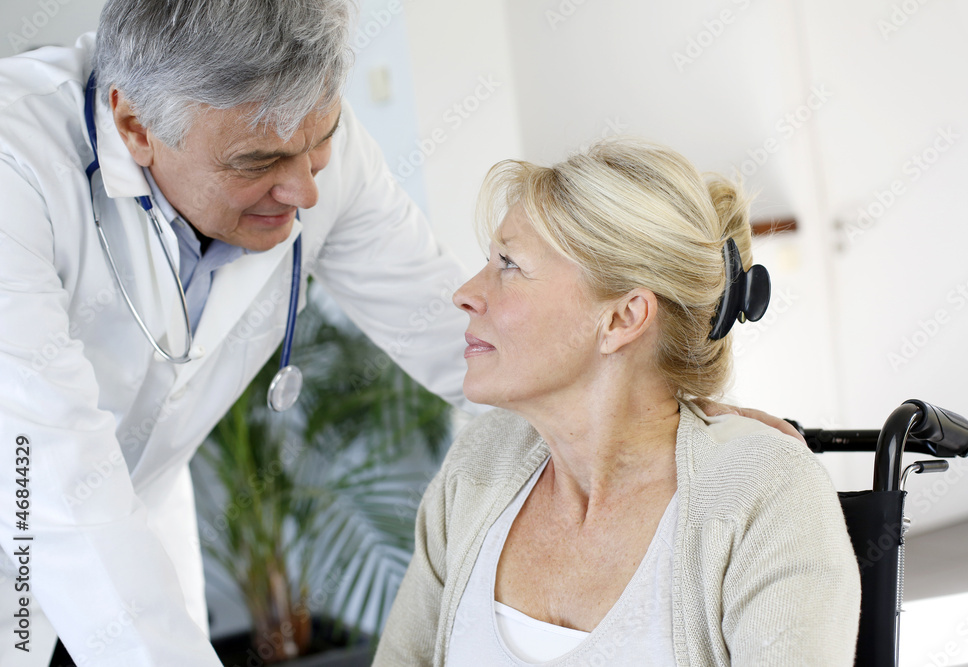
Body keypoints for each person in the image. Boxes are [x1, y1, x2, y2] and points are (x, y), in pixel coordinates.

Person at [0, 1, 811, 665]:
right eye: (259, 162)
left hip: (130, 508)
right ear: (134, 125)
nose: (307, 188)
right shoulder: (18, 172)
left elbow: (454, 334)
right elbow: (56, 483)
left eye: (320, 141)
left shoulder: (755, 499)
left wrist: (665, 415)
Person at [375, 138, 862, 666]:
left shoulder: (764, 495)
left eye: (509, 264)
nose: (465, 292)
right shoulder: (479, 466)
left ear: (623, 318)